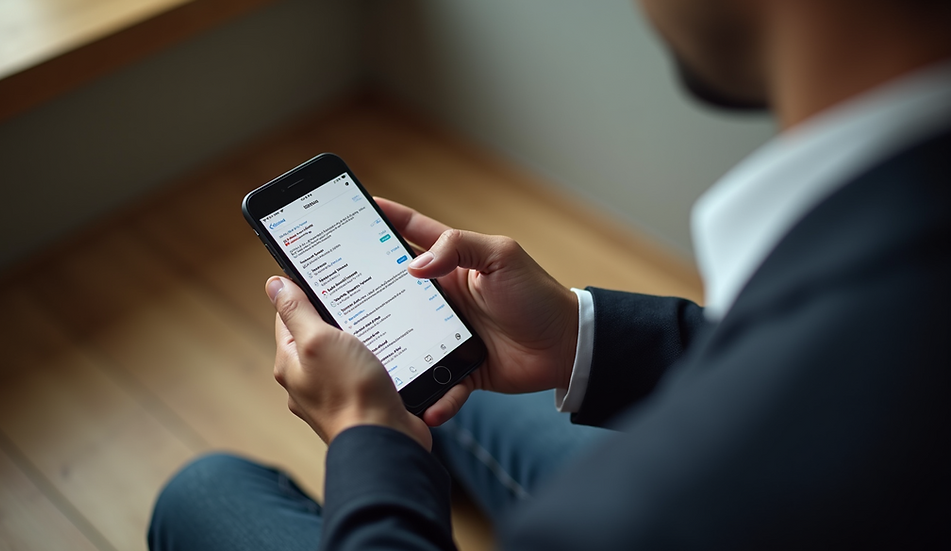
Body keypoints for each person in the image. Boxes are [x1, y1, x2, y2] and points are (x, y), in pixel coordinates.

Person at [149, 0, 951, 548]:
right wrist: (577, 334)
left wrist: (369, 439)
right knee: (457, 391)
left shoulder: (644, 516)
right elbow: (789, 365)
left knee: (203, 492)